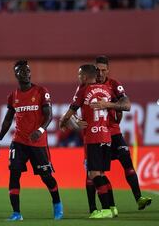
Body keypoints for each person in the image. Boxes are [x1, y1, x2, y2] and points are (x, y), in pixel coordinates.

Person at [0, 60, 63, 221]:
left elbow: (49, 115)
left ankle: (57, 204)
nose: (26, 73)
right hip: (18, 142)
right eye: (22, 71)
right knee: (14, 174)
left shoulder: (40, 91)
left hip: (38, 143)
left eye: (28, 70)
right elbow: (7, 120)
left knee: (46, 177)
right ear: (16, 74)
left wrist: (40, 130)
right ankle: (16, 213)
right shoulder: (13, 96)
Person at [85, 56, 152, 214]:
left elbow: (127, 105)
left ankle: (139, 198)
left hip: (113, 133)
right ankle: (99, 208)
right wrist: (75, 121)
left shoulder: (114, 84)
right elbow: (76, 106)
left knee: (127, 164)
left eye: (103, 70)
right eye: (97, 70)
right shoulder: (87, 86)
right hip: (95, 135)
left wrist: (107, 104)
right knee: (94, 173)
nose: (100, 73)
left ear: (108, 70)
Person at [60, 64, 115, 219]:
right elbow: (115, 113)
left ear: (84, 76)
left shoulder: (84, 89)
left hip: (93, 137)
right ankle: (112, 207)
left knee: (93, 173)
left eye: (79, 75)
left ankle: (105, 209)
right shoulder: (106, 89)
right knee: (101, 174)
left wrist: (63, 121)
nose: (78, 77)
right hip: (106, 136)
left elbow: (72, 108)